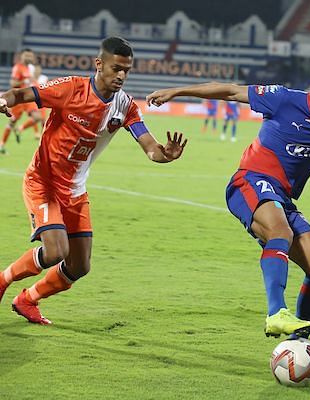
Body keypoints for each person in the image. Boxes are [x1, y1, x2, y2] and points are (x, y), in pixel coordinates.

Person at [147, 66, 310, 338]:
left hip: (282, 199)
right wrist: (176, 91)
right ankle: (276, 313)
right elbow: (231, 91)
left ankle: (298, 345)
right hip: (249, 182)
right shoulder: (284, 100)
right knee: (279, 230)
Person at [0, 37, 187, 324]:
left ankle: (28, 299)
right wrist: (4, 100)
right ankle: (4, 279)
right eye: (116, 68)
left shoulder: (125, 107)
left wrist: (166, 154)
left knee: (79, 266)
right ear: (99, 64)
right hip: (44, 182)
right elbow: (21, 94)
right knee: (56, 251)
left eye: (127, 70)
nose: (122, 75)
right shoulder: (70, 88)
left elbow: (150, 148)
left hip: (75, 190)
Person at [0, 49, 44, 153]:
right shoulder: (18, 67)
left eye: (30, 56)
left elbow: (30, 83)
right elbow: (13, 83)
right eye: (26, 55)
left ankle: (20, 128)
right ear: (22, 56)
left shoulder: (29, 69)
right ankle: (1, 144)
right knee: (12, 122)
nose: (29, 57)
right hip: (18, 100)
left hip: (27, 99)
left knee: (37, 117)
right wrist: (23, 81)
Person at [18, 64, 49, 140]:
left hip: (42, 101)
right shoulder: (30, 79)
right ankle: (38, 134)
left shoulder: (44, 78)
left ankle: (42, 135)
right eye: (36, 70)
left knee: (43, 119)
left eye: (39, 70)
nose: (37, 71)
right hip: (33, 101)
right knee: (37, 117)